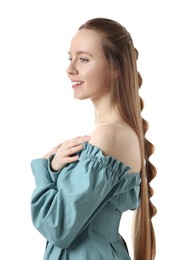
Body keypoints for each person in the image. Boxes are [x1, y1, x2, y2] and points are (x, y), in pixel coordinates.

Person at [30, 17, 157, 260]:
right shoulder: (105, 134)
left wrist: (42, 167)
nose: (70, 69)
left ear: (115, 67)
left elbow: (58, 228)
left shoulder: (109, 135)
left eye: (84, 59)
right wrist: (55, 167)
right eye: (71, 58)